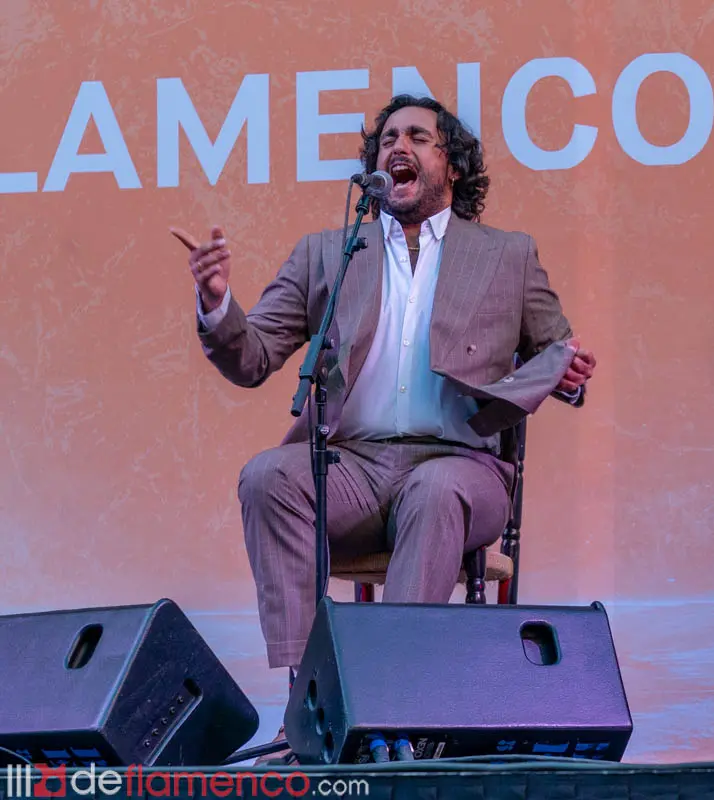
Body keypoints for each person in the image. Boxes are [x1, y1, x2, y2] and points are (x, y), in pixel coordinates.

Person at [171, 94, 595, 759]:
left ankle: (398, 704)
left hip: (463, 463)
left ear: (450, 165)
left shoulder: (506, 254)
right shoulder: (329, 254)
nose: (399, 146)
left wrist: (565, 374)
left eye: (419, 137)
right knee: (268, 478)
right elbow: (252, 358)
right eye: (387, 138)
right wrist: (216, 300)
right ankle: (309, 700)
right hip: (354, 467)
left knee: (435, 491)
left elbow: (556, 348)